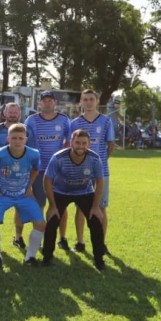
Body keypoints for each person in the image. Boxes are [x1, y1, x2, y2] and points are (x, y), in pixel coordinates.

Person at [42, 129, 106, 270]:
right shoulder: (58, 157)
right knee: (52, 220)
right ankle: (47, 257)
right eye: (77, 142)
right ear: (71, 142)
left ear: (89, 144)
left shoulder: (94, 159)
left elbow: (100, 182)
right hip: (61, 191)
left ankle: (99, 259)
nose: (80, 146)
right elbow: (47, 180)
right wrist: (52, 205)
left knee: (95, 221)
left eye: (84, 143)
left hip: (84, 191)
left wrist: (95, 207)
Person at [0, 124, 46, 266]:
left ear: (26, 139)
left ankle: (30, 257)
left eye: (21, 138)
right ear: (8, 138)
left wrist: (29, 186)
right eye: (14, 138)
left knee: (40, 223)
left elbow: (36, 170)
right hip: (3, 194)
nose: (17, 141)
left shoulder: (34, 153)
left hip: (23, 195)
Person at [69, 89, 115, 254]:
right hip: (80, 172)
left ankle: (101, 244)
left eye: (91, 99)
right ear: (81, 102)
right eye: (85, 99)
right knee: (80, 208)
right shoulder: (74, 123)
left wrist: (101, 161)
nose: (88, 102)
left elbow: (110, 144)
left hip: (101, 172)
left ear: (97, 101)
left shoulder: (106, 121)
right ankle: (80, 242)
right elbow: (71, 146)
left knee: (101, 207)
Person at [25, 90, 71, 250]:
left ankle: (62, 237)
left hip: (58, 170)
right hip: (38, 169)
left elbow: (69, 141)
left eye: (50, 100)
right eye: (44, 100)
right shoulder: (31, 120)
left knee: (60, 205)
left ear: (55, 103)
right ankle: (40, 237)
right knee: (39, 204)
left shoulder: (64, 120)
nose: (47, 103)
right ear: (39, 103)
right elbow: (26, 142)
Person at [0, 102, 34, 250]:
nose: (13, 114)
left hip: (21, 176)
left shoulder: (27, 130)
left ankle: (18, 237)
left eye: (15, 111)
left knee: (20, 208)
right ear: (4, 113)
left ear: (20, 113)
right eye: (10, 111)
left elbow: (31, 153)